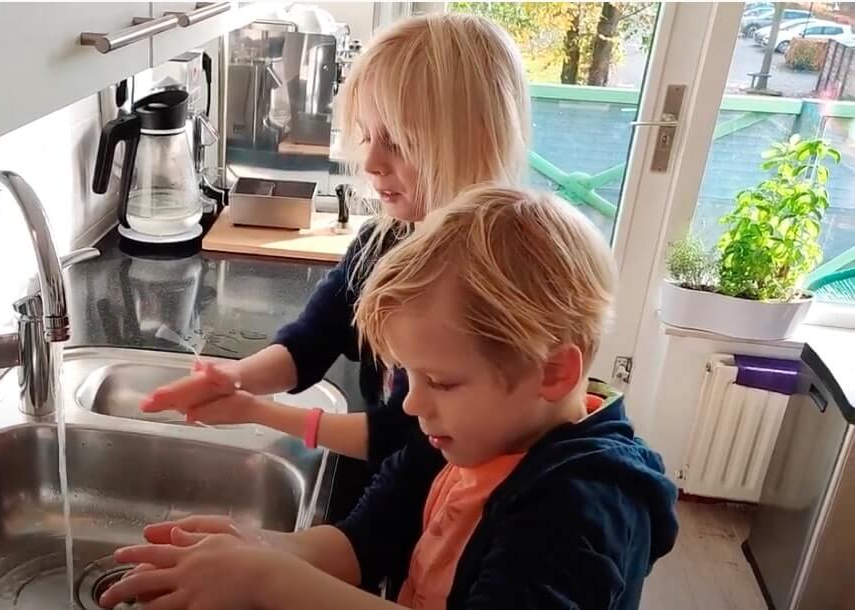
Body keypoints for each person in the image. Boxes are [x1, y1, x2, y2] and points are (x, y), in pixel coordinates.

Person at [99, 186, 680, 610]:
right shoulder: (464, 438)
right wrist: (257, 549)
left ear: (552, 373)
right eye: (411, 377)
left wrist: (268, 579)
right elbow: (363, 541)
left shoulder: (582, 505)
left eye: (441, 382)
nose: (410, 405)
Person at [140, 13, 532, 467]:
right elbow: (313, 339)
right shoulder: (383, 242)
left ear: (476, 140)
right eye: (366, 135)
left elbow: (402, 437)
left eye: (399, 143)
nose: (371, 162)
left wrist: (258, 411)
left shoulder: (485, 279)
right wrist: (235, 377)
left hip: (448, 490)